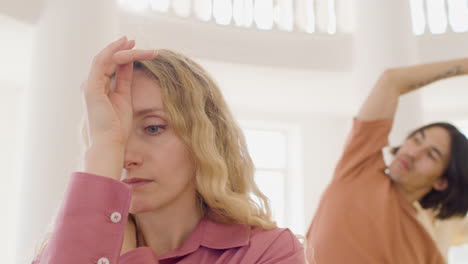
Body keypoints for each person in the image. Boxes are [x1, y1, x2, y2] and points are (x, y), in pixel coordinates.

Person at [32, 36, 305, 264]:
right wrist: (103, 147)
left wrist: (130, 257)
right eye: (115, 140)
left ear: (204, 139)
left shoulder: (269, 252)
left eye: (153, 128)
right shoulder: (66, 247)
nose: (126, 158)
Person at [306, 58, 468, 264]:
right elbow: (391, 81)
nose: (413, 153)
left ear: (441, 182)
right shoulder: (359, 167)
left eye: (431, 154)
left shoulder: (427, 254)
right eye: (417, 140)